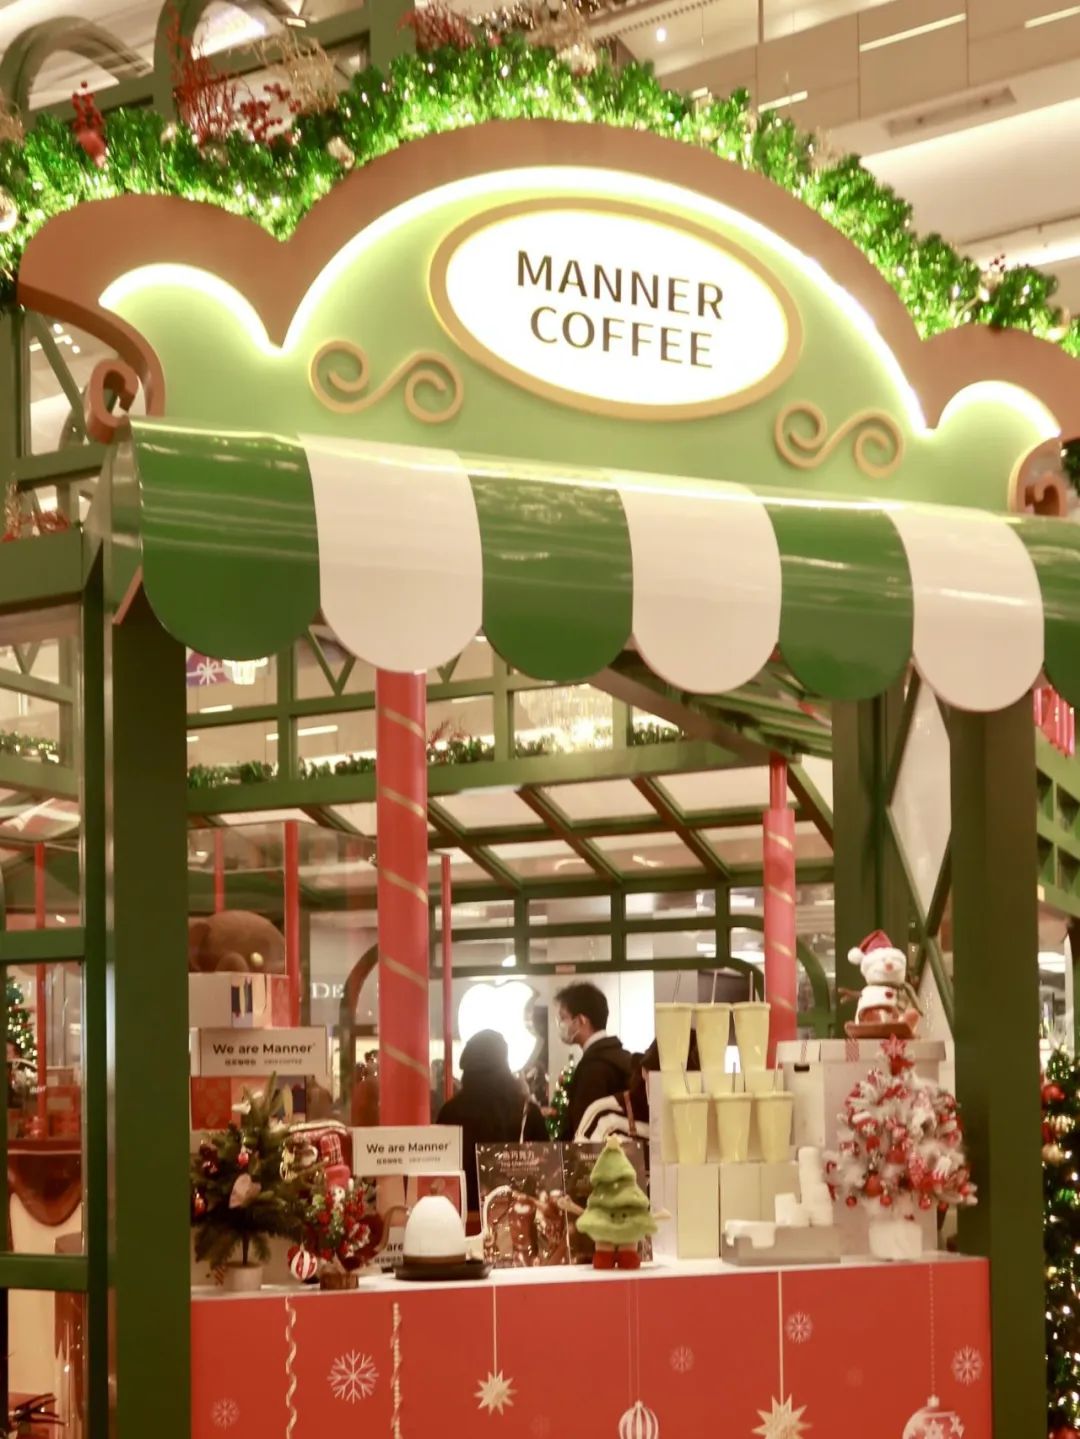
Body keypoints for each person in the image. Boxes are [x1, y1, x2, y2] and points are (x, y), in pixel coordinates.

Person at [437, 1029, 548, 1214]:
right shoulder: (527, 1112)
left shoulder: (450, 1112)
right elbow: (545, 1166)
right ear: (504, 1064)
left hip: (463, 1216)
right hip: (515, 1216)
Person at [554, 982, 633, 1141]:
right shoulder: (622, 1057)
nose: (560, 1025)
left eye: (563, 1018)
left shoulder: (593, 1068)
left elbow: (584, 1132)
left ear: (581, 1020)